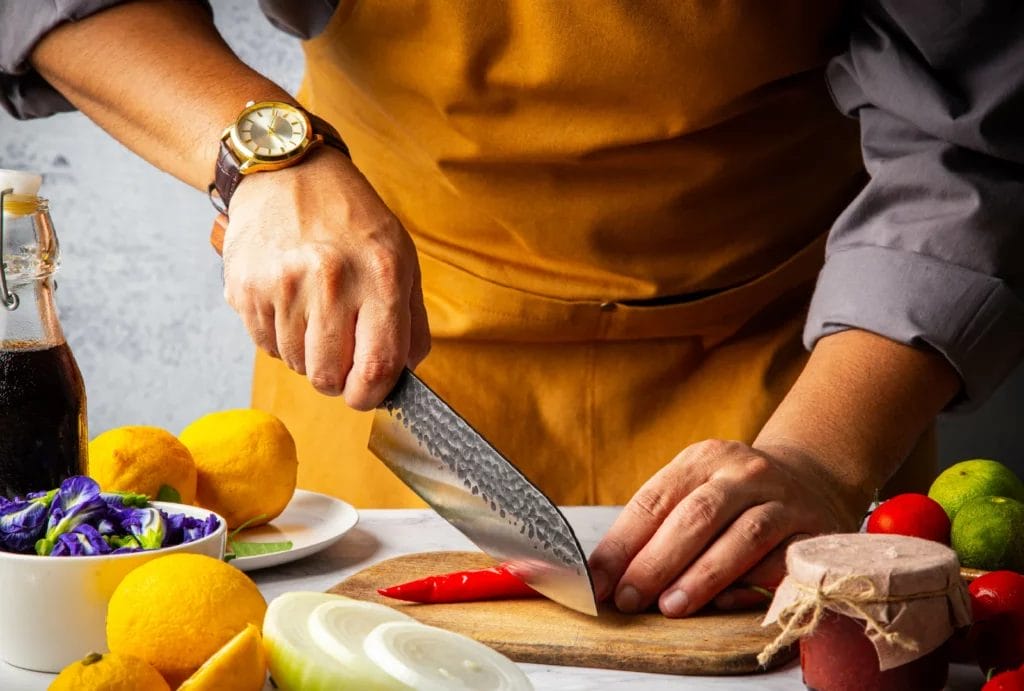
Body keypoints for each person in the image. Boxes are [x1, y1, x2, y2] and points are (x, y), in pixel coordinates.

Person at [2, 1, 1021, 619]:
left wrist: (823, 456)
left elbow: (975, 131)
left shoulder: (818, 428)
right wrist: (263, 156)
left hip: (800, 370)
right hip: (380, 352)